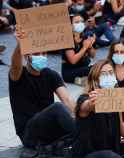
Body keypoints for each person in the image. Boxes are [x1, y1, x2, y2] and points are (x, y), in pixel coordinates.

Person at [10, 26, 76, 157]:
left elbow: (67, 100)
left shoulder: (50, 74)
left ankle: (85, 136)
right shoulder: (19, 74)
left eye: (44, 53)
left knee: (76, 108)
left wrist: (83, 114)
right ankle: (85, 138)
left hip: (49, 129)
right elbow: (15, 64)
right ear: (27, 55)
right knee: (57, 108)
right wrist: (20, 45)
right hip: (29, 132)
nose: (41, 56)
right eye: (36, 54)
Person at [70, 60, 124, 158]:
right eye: (104, 74)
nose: (109, 76)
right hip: (89, 154)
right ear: (95, 80)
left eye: (111, 73)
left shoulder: (115, 100)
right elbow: (87, 106)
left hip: (112, 150)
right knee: (111, 156)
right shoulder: (85, 98)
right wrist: (94, 102)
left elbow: (121, 129)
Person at [62, 14, 96, 84]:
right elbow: (73, 60)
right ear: (71, 26)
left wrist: (90, 46)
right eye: (77, 22)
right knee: (95, 69)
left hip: (83, 67)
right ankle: (84, 80)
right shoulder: (67, 39)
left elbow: (93, 55)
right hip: (70, 72)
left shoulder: (84, 36)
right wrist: (84, 48)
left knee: (100, 66)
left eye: (81, 21)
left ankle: (83, 80)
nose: (80, 24)